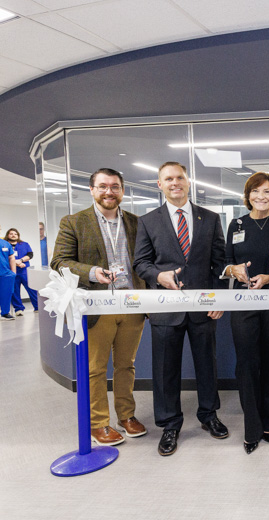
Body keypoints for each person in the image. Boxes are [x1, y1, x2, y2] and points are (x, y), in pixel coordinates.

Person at [133, 162, 228, 456]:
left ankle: (209, 416)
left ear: (188, 182)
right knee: (165, 370)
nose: (175, 183)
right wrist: (157, 276)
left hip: (203, 308)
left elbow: (219, 263)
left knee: (206, 365)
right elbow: (141, 263)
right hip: (165, 308)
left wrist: (219, 299)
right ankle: (170, 424)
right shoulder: (148, 221)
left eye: (180, 178)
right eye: (168, 179)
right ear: (159, 184)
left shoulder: (210, 219)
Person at [50, 168, 148, 445]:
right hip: (96, 305)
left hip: (131, 304)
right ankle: (98, 423)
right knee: (95, 368)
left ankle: (126, 416)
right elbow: (59, 261)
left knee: (126, 366)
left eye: (115, 186)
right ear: (92, 190)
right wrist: (92, 272)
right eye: (103, 186)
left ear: (122, 191)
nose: (109, 192)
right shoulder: (74, 222)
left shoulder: (136, 222)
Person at [222, 172, 269, 455]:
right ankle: (251, 428)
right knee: (247, 364)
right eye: (256, 191)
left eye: (267, 192)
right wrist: (232, 270)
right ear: (247, 194)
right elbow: (225, 262)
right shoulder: (236, 224)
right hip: (243, 303)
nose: (261, 197)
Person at [5, 229, 39, 315]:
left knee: (32, 289)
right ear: (7, 235)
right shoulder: (4, 245)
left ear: (18, 235)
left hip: (24, 271)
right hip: (11, 271)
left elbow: (30, 255)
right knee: (14, 291)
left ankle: (38, 307)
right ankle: (18, 309)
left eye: (15, 234)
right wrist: (15, 263)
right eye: (11, 234)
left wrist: (20, 260)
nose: (13, 235)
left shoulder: (24, 244)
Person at [0, 226, 16, 320]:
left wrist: (13, 273)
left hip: (5, 273)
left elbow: (11, 258)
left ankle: (5, 313)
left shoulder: (5, 244)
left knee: (6, 294)